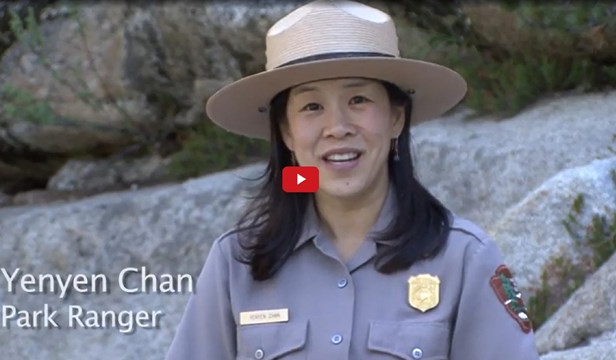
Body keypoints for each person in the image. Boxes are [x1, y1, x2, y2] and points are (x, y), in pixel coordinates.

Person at [165, 1, 541, 359]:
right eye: (312, 107)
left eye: (359, 99)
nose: (338, 128)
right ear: (286, 133)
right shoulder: (237, 262)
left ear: (396, 118)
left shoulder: (464, 258)